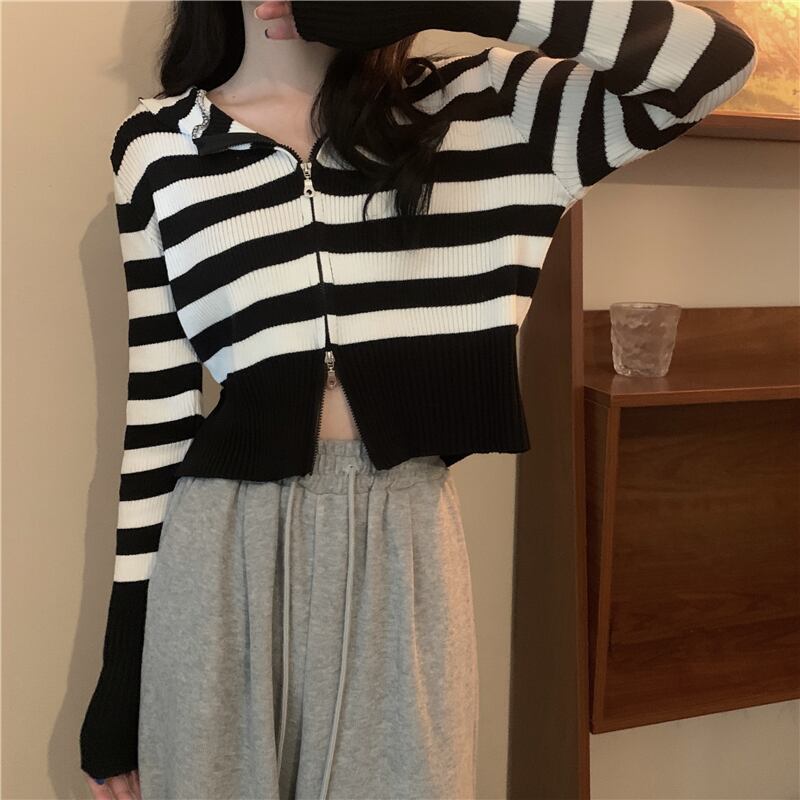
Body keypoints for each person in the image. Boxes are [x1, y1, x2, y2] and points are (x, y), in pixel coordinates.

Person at [79, 1, 757, 798]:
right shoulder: (159, 145)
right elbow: (159, 416)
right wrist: (121, 676)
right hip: (220, 553)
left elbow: (713, 64)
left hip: (405, 544)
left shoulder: (489, 107)